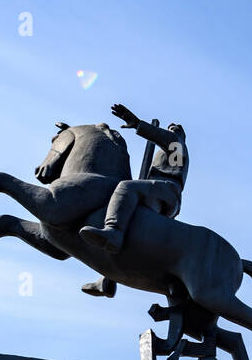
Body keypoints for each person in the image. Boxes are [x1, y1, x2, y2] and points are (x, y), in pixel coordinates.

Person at [80, 102, 188, 254]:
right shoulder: (168, 152)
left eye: (174, 128)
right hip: (157, 191)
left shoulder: (177, 145)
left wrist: (138, 124)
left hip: (167, 191)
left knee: (126, 187)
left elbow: (168, 140)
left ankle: (113, 231)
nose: (170, 128)